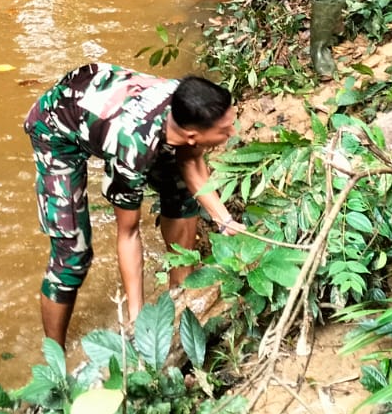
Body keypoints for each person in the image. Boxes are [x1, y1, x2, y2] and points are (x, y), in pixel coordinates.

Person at [27, 66, 239, 347]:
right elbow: (128, 233)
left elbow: (190, 160)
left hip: (109, 109)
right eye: (225, 130)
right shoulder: (132, 151)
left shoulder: (187, 103)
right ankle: (55, 359)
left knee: (181, 197)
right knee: (72, 254)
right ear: (191, 134)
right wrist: (136, 318)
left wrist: (224, 220)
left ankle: (179, 305)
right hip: (57, 129)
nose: (233, 132)